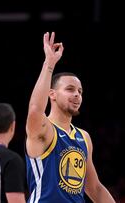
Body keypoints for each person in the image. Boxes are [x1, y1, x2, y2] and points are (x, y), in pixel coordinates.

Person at [25, 32, 115, 202]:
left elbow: (94, 188)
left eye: (80, 92)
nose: (77, 95)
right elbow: (35, 109)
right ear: (51, 94)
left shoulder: (84, 137)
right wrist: (49, 64)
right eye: (70, 89)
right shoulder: (43, 129)